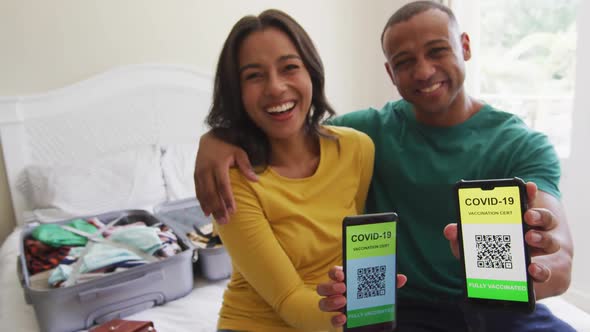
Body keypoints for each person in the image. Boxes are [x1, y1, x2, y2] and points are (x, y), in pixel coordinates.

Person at [195, 1, 574, 331]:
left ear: (465, 47)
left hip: (498, 308)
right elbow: (291, 131)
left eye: (437, 51)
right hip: (406, 310)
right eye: (405, 62)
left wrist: (530, 272)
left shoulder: (521, 144)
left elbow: (559, 259)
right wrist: (214, 139)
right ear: (390, 73)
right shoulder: (368, 134)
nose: (423, 71)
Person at [204, 9, 406, 332]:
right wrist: (360, 310)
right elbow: (290, 302)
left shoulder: (356, 149)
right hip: (260, 323)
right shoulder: (232, 178)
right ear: (236, 92)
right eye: (254, 76)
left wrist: (366, 300)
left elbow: (345, 246)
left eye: (289, 68)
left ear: (311, 71)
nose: (275, 87)